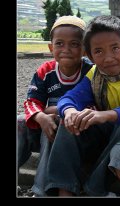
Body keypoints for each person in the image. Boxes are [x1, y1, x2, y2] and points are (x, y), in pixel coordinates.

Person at [45, 15, 120, 196]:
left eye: (115, 48)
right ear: (90, 56)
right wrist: (69, 111)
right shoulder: (95, 74)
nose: (108, 58)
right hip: (109, 130)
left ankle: (94, 187)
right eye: (98, 51)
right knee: (67, 120)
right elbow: (69, 98)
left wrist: (104, 115)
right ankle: (64, 188)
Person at [18, 15, 93, 196]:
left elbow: (95, 105)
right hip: (45, 123)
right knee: (19, 121)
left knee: (56, 125)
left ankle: (41, 189)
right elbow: (31, 102)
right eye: (59, 44)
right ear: (51, 47)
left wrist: (56, 112)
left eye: (74, 44)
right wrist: (41, 116)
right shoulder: (45, 71)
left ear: (84, 49)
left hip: (75, 135)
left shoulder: (90, 72)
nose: (66, 49)